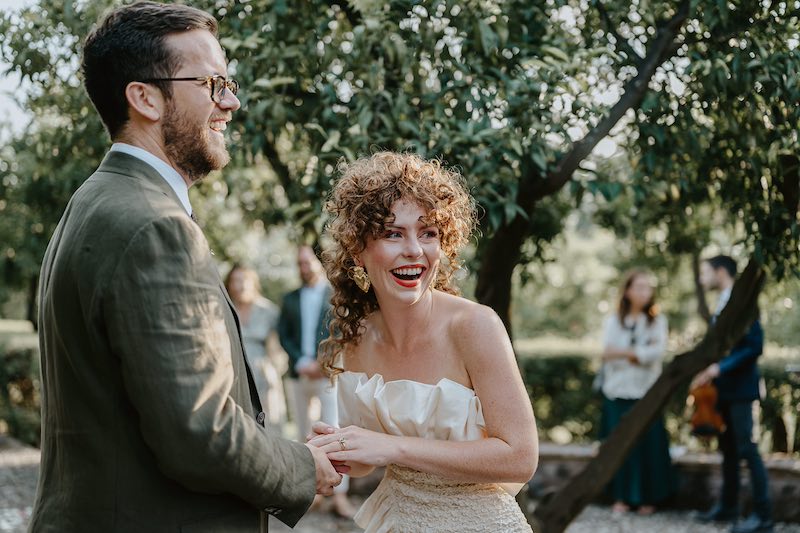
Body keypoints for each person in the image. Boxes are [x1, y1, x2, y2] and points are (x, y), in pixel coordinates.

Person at [31, 3, 340, 531]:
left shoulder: (93, 202)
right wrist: (302, 466)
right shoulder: (155, 226)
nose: (232, 102)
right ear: (145, 97)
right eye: (213, 83)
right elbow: (200, 430)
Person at [307, 152, 539, 532]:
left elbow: (520, 458)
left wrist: (394, 448)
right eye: (392, 233)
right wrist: (335, 447)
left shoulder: (475, 326)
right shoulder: (356, 339)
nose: (414, 249)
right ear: (358, 250)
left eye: (428, 232)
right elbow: (367, 460)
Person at [692, 255, 773, 533]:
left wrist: (719, 368)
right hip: (722, 391)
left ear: (720, 271)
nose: (703, 278)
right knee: (727, 451)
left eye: (706, 272)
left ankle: (763, 517)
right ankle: (727, 508)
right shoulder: (723, 302)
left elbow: (754, 346)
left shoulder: (744, 303)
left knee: (748, 450)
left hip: (741, 389)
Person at [278, 245, 356, 518]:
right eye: (299, 263)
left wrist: (323, 364)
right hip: (299, 374)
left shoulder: (336, 296)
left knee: (334, 433)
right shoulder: (288, 299)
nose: (304, 267)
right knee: (303, 433)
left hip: (327, 374)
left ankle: (340, 496)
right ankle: (313, 492)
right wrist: (301, 361)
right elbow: (284, 335)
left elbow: (343, 332)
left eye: (307, 261)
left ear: (318, 262)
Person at [598, 270, 673, 515]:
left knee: (648, 447)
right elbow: (607, 352)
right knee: (619, 447)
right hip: (617, 392)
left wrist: (626, 353)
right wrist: (637, 353)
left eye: (648, 287)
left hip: (645, 393)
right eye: (639, 287)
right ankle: (621, 496)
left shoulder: (657, 322)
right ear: (628, 290)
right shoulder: (613, 321)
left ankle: (648, 498)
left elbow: (656, 353)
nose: (644, 292)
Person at [225, 264, 287, 431]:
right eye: (236, 281)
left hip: (264, 374)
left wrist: (274, 371)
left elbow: (278, 348)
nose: (241, 285)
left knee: (271, 423)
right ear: (229, 284)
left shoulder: (268, 311)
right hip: (234, 372)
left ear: (253, 283)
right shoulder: (225, 311)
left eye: (245, 280)